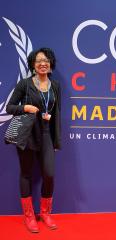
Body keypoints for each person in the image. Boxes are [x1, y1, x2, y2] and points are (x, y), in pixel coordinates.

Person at [6, 47, 61, 233]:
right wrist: (26, 108)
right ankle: (29, 216)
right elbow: (10, 107)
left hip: (46, 134)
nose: (42, 63)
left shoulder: (55, 86)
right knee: (26, 174)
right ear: (33, 65)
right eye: (38, 61)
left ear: (51, 64)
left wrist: (56, 140)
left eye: (46, 60)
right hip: (28, 134)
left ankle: (45, 213)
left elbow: (57, 114)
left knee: (49, 174)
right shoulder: (24, 84)